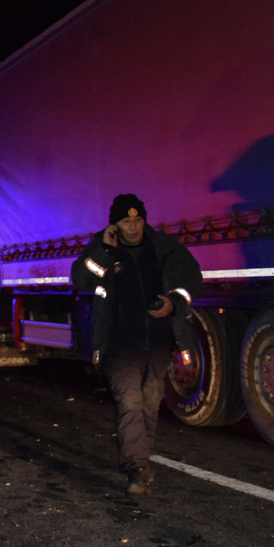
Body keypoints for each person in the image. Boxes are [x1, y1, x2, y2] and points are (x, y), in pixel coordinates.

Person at [71, 194, 202, 497]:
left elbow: (192, 277)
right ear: (114, 225)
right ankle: (136, 468)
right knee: (129, 402)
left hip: (158, 341)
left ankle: (140, 461)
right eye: (126, 222)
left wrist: (174, 301)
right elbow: (80, 279)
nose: (133, 227)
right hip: (119, 344)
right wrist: (105, 250)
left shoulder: (164, 247)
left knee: (150, 402)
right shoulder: (103, 249)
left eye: (138, 220)